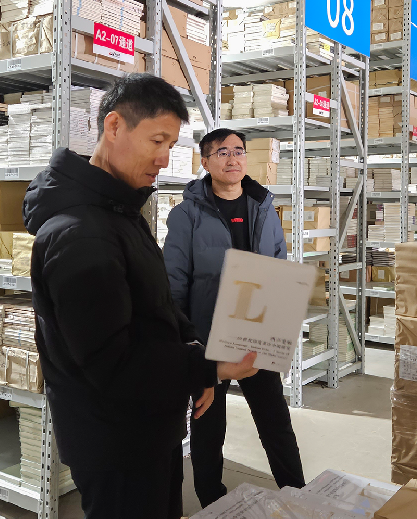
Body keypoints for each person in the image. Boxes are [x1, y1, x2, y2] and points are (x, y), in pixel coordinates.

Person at [22, 73, 258, 519]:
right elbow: (111, 361)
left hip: (147, 425)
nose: (164, 159)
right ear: (114, 126)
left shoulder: (120, 211)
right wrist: (207, 366)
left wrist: (195, 351)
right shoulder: (81, 234)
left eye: (171, 144)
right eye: (157, 141)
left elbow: (157, 302)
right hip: (116, 443)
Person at [162, 128, 306, 506]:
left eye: (238, 151)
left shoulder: (263, 207)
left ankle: (298, 495)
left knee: (275, 421)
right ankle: (213, 502)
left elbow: (278, 267)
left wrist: (280, 329)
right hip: (208, 338)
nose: (232, 159)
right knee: (209, 425)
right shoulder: (186, 215)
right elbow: (174, 284)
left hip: (257, 334)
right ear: (206, 162)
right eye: (222, 152)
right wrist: (189, 344)